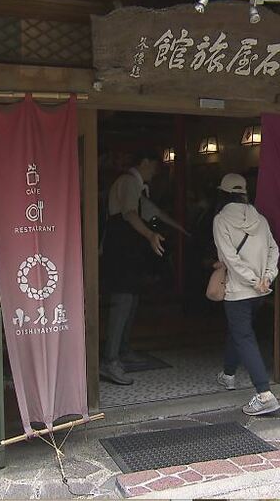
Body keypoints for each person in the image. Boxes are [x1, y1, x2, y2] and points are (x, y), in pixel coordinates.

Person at [101, 148, 186, 385]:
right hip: (120, 251)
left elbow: (152, 212)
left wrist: (181, 230)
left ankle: (123, 350)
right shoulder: (128, 181)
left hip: (130, 251)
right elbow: (129, 214)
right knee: (123, 301)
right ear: (145, 161)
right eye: (155, 166)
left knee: (132, 299)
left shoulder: (137, 186)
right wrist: (150, 235)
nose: (156, 172)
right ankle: (110, 360)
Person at [212, 173, 280, 415]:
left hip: (238, 290)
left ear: (223, 193)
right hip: (260, 291)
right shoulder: (260, 219)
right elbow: (274, 249)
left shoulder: (221, 220)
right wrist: (266, 277)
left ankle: (264, 394)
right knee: (239, 331)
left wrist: (252, 280)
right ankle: (228, 375)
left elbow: (229, 258)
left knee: (244, 337)